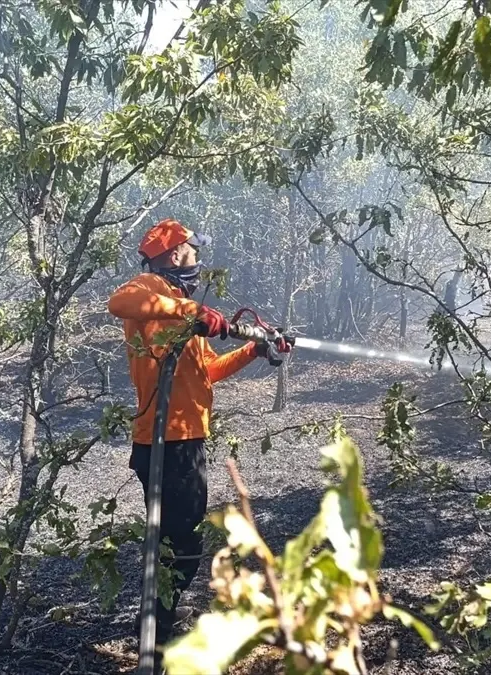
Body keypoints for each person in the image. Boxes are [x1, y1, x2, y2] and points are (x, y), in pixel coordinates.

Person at [106, 218, 284, 665]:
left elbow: (208, 372)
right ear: (172, 254)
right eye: (192, 249)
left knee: (177, 543)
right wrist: (193, 313)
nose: (197, 257)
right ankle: (157, 644)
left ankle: (158, 632)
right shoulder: (149, 287)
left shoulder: (178, 304)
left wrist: (255, 350)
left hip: (186, 439)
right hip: (165, 442)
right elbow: (118, 301)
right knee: (178, 547)